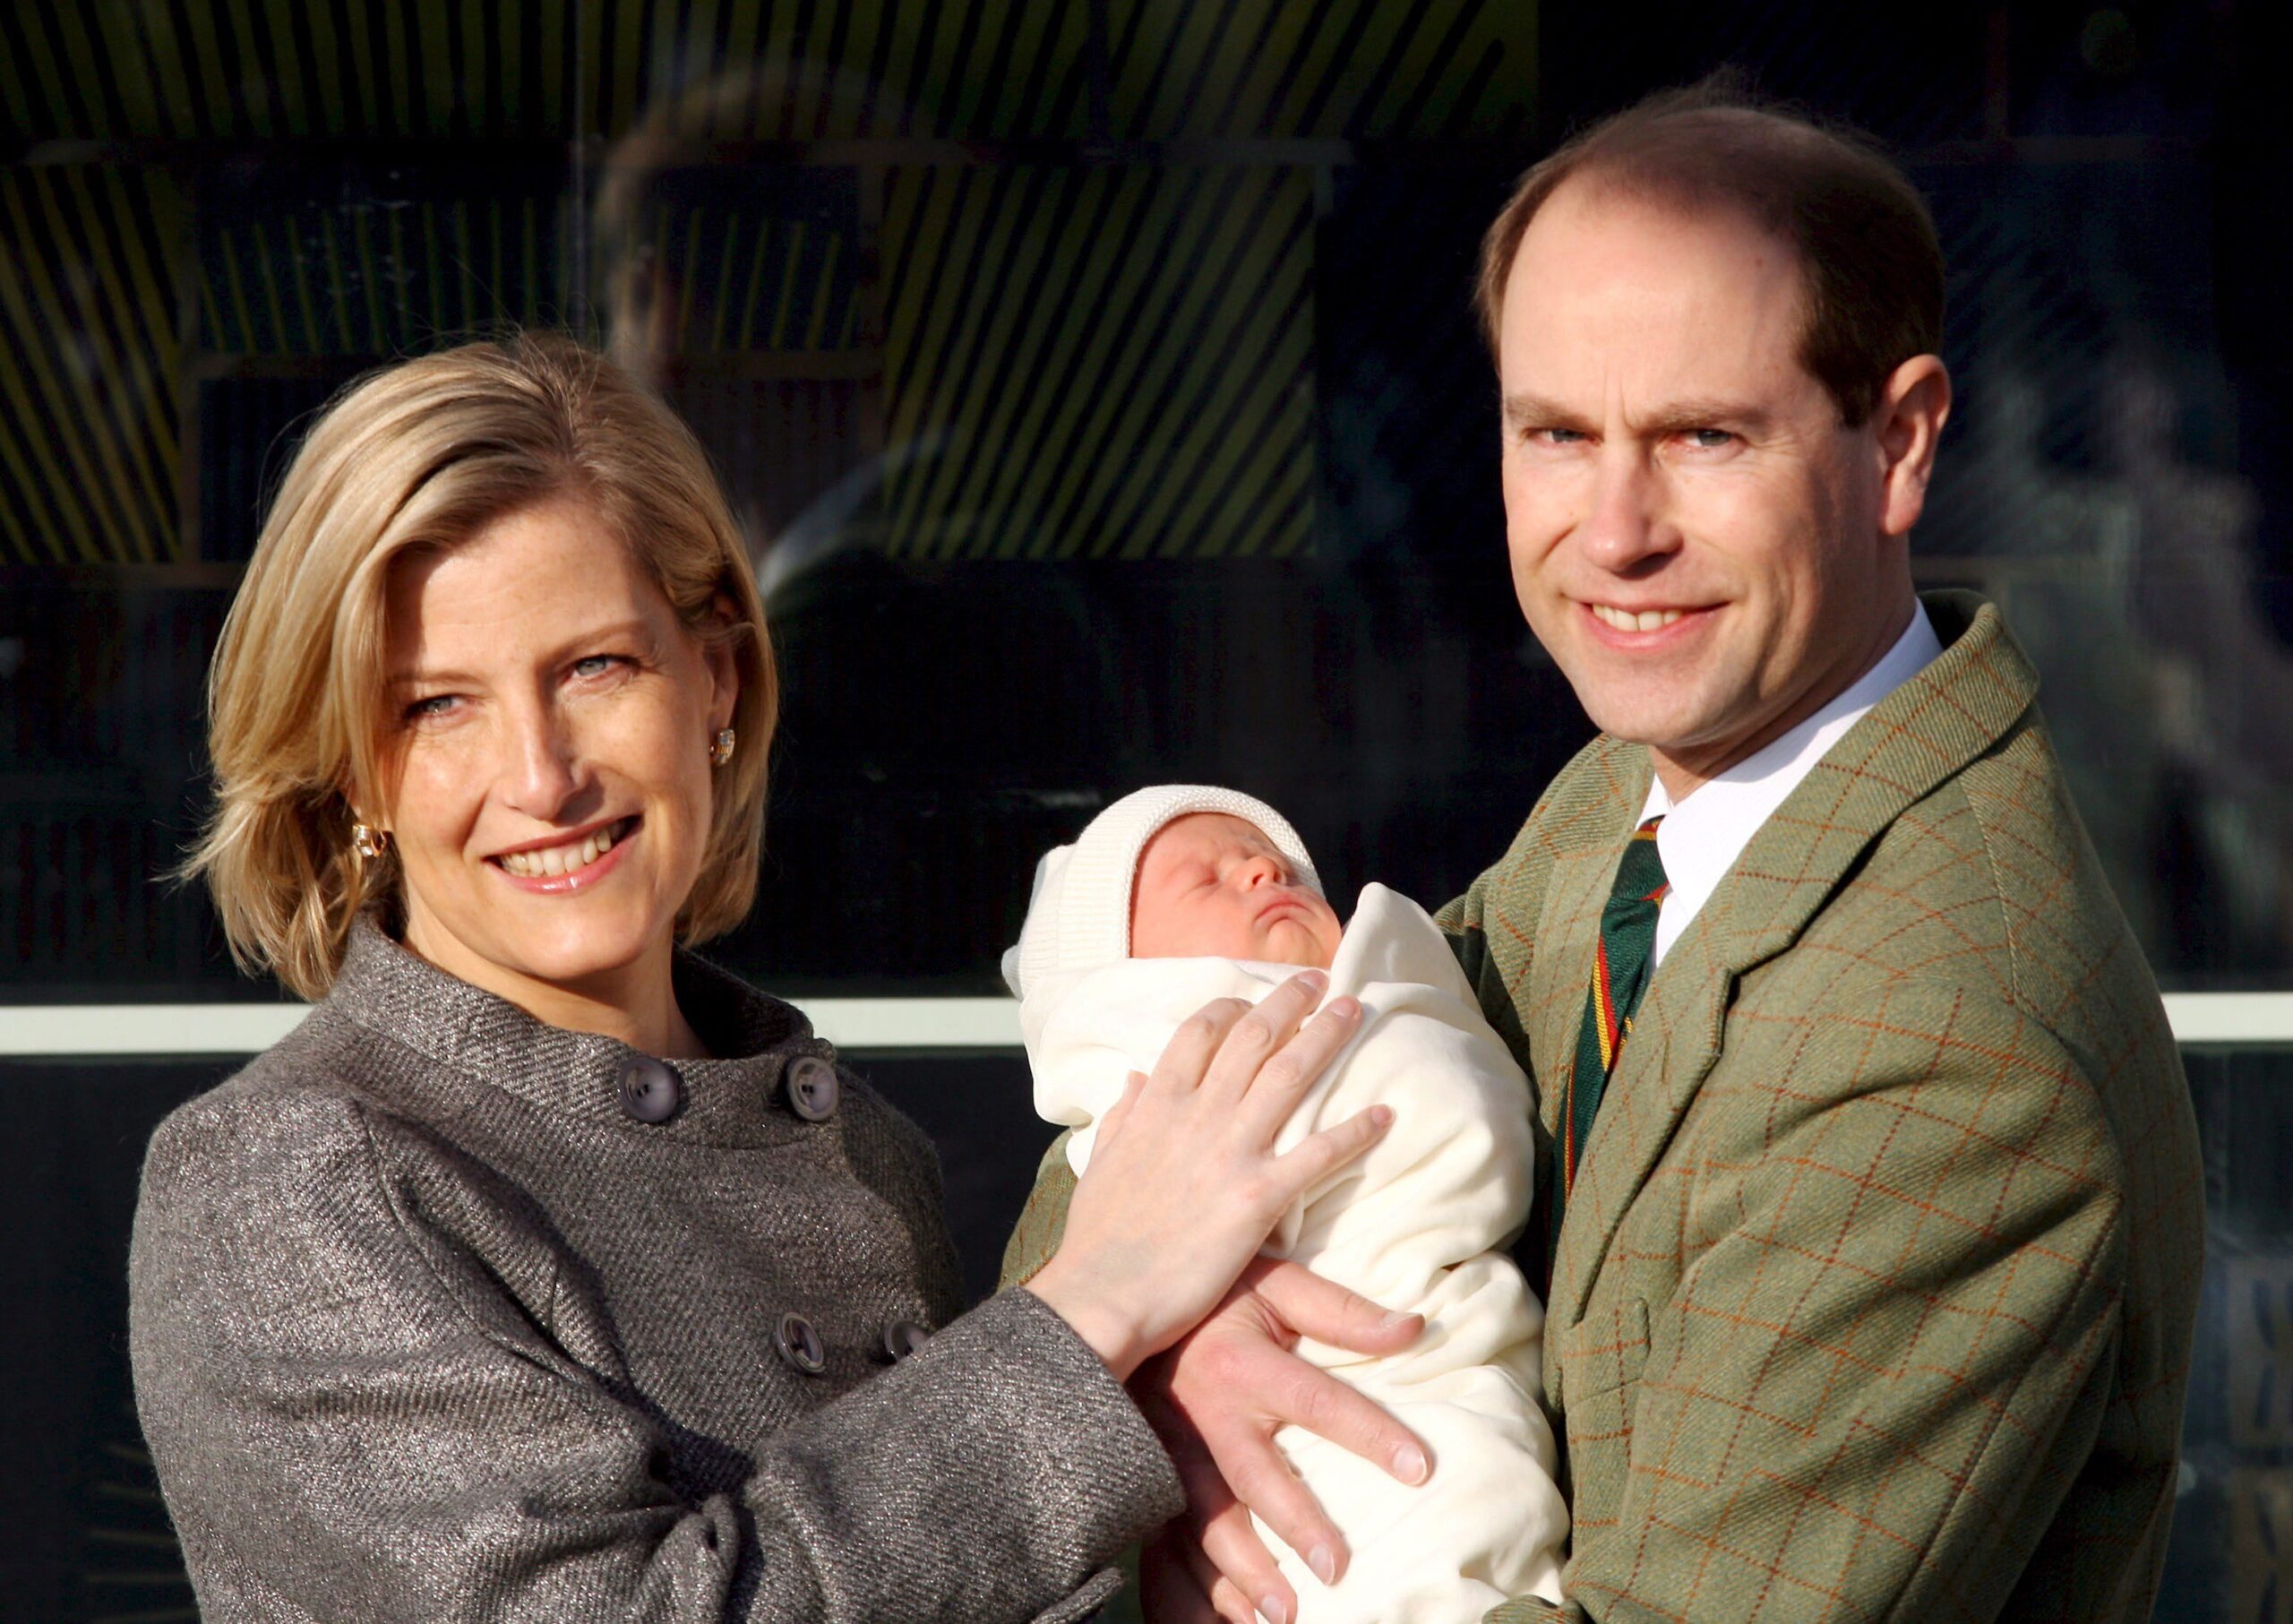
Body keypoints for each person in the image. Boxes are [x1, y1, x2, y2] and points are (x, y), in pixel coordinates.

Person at [1002, 82, 2206, 1624]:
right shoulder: (1630, 801)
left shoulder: (1948, 1048)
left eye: (1706, 436)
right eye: (1557, 434)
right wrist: (1181, 1339)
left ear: (1899, 442)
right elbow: (1175, 1066)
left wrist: (1131, 1358)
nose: (1616, 530)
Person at [126, 332, 1406, 1622]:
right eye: (435, 706)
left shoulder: (861, 1149)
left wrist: (1171, 1401)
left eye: (594, 667)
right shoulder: (287, 1182)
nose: (542, 775)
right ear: (355, 771)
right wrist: (1092, 1316)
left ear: (717, 679)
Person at [1005, 786, 1567, 1621]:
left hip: (1460, 1386)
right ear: (1124, 979)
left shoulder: (1437, 981)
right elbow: (1101, 1242)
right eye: (1207, 879)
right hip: (1327, 1469)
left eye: (1268, 859)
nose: (1263, 867)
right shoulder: (1165, 1078)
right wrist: (1144, 1342)